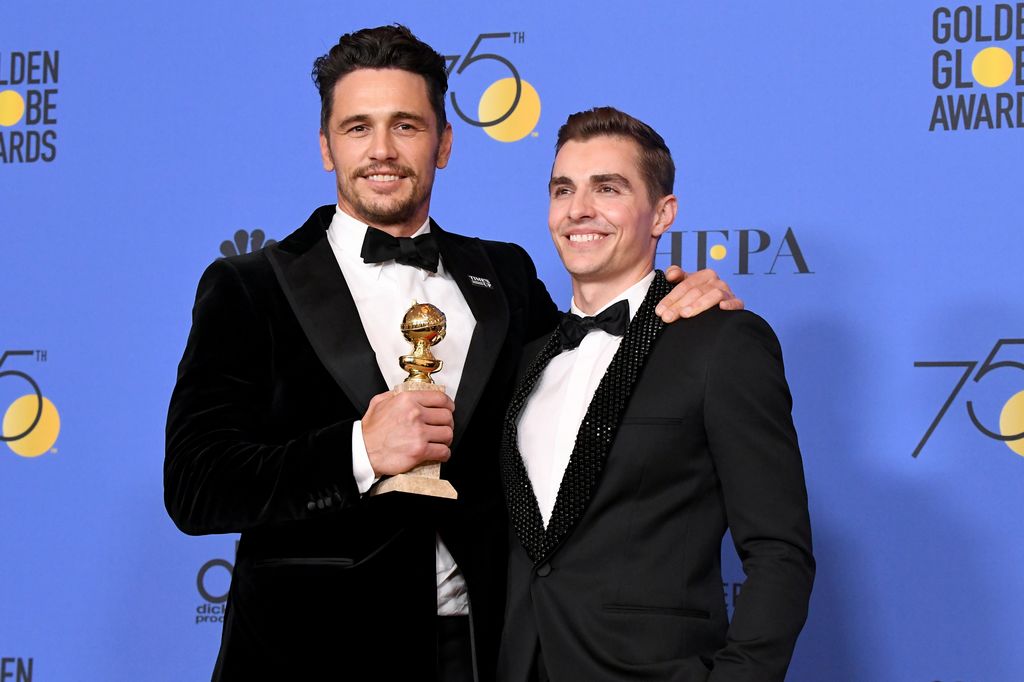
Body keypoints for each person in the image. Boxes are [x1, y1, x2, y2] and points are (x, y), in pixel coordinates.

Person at [164, 26, 740, 682]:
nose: (381, 150)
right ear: (325, 147)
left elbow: (591, 384)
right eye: (358, 128)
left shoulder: (505, 276)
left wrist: (663, 302)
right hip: (313, 653)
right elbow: (195, 485)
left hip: (482, 648)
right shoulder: (251, 288)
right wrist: (358, 450)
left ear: (445, 143)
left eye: (406, 126)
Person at [498, 107, 814, 682]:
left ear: (662, 214)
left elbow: (779, 551)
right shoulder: (524, 357)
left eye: (608, 188)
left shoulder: (722, 343)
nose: (579, 209)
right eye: (563, 189)